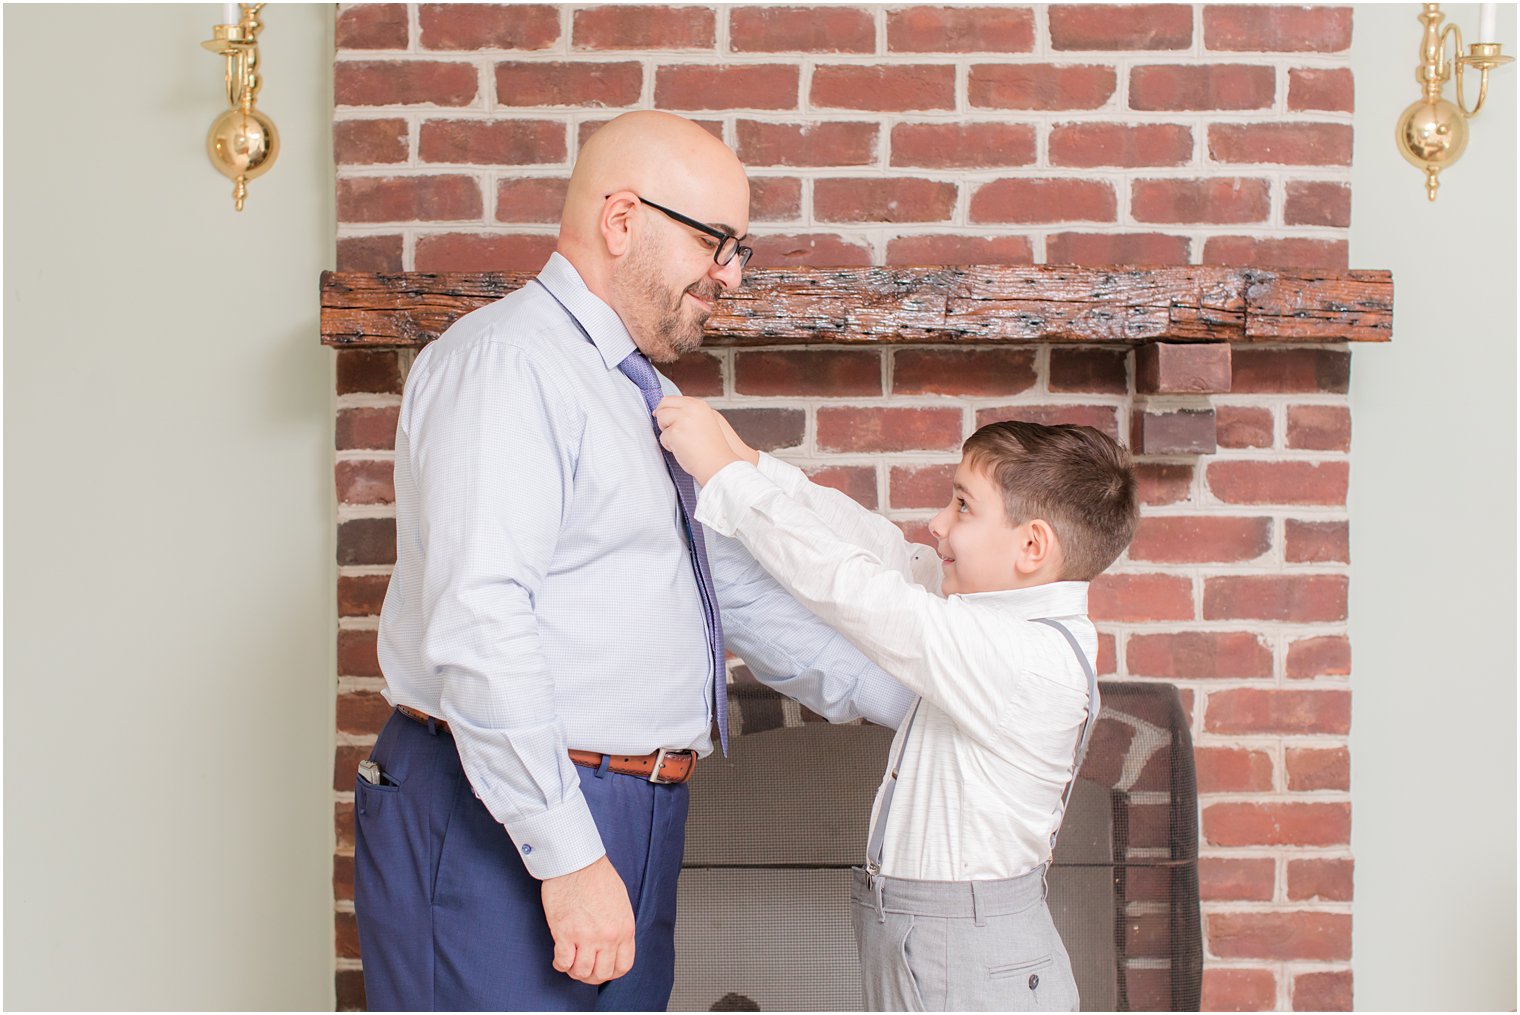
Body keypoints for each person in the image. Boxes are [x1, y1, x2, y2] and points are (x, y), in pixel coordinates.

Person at [353, 110, 912, 1011]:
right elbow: (481, 621)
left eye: (741, 249)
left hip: (630, 811)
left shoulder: (633, 391)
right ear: (622, 220)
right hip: (508, 812)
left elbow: (732, 597)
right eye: (717, 242)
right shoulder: (510, 365)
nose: (729, 275)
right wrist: (569, 855)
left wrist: (941, 695)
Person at [656, 401, 1140, 1012]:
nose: (938, 523)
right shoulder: (997, 621)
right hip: (929, 933)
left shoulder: (1023, 660)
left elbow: (860, 591)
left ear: (1031, 546)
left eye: (963, 505)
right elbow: (881, 552)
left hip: (970, 954)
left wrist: (728, 478)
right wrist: (756, 465)